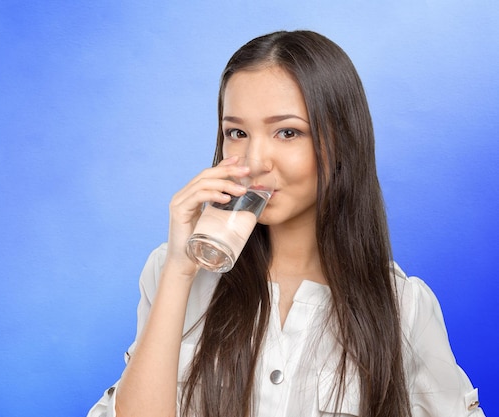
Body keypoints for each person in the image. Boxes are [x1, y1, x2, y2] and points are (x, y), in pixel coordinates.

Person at [87, 30, 484, 417]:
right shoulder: (172, 271)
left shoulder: (403, 306)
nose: (256, 160)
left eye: (287, 132)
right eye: (237, 132)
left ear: (341, 141)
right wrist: (179, 268)